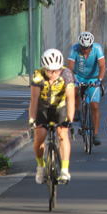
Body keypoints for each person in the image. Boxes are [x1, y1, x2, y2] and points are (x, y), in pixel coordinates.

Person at [30, 49, 75, 184]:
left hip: (60, 107)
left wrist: (70, 119)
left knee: (62, 134)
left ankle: (65, 170)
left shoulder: (66, 74)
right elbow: (34, 99)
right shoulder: (38, 75)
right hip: (43, 108)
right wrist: (32, 119)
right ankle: (41, 166)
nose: (54, 73)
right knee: (40, 135)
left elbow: (71, 98)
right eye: (50, 71)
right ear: (44, 68)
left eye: (57, 70)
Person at [67, 32, 106, 145]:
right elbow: (69, 68)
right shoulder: (74, 49)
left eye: (88, 48)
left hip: (93, 78)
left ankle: (95, 134)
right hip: (78, 76)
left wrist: (100, 80)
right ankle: (78, 109)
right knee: (73, 89)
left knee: (95, 106)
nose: (85, 50)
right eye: (83, 48)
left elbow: (102, 66)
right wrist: (74, 80)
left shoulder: (97, 48)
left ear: (92, 46)